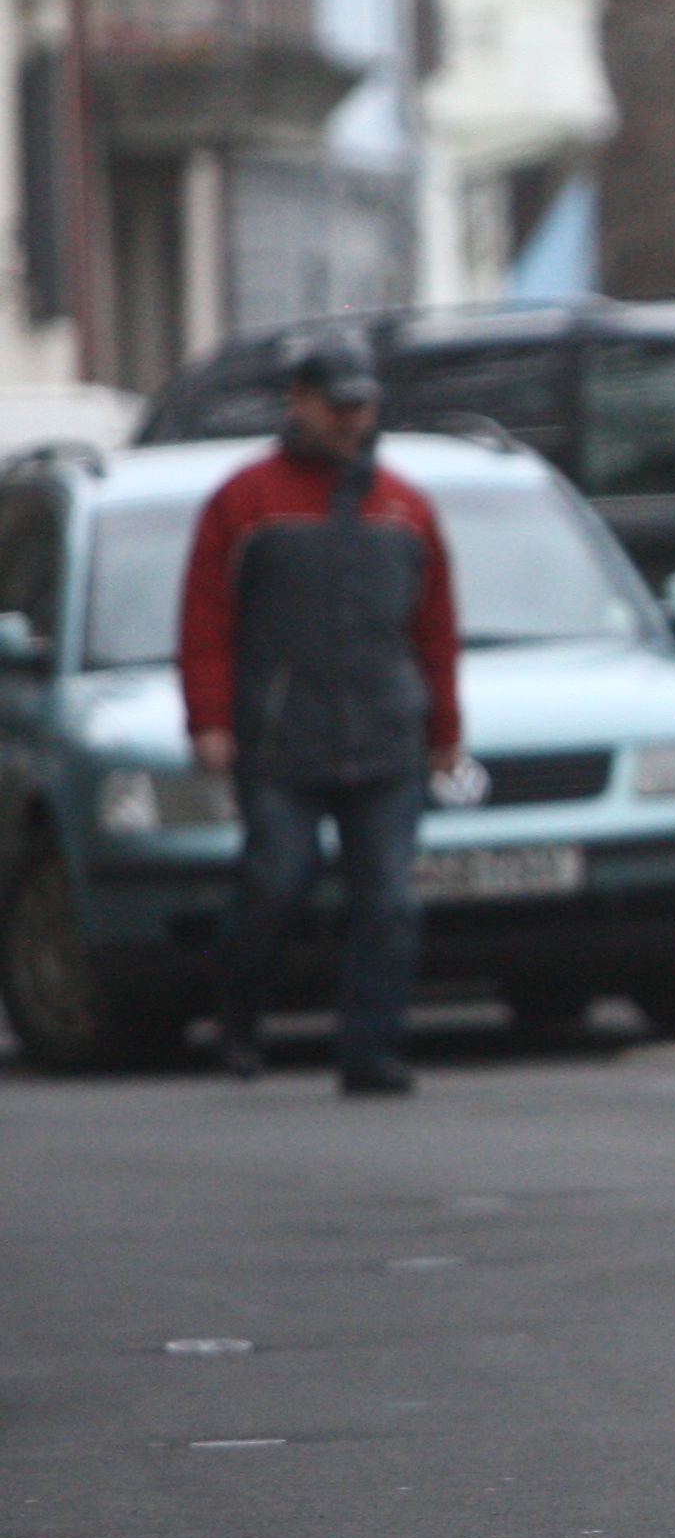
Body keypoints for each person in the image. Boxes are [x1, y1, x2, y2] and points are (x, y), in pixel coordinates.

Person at [184, 327, 463, 1096]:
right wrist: (209, 718)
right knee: (274, 880)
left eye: (361, 406)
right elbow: (206, 620)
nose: (350, 420)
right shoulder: (244, 502)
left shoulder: (405, 507)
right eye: (336, 405)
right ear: (300, 405)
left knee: (390, 900)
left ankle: (370, 1050)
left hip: (384, 738)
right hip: (281, 740)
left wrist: (444, 727)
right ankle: (239, 1011)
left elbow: (435, 626)